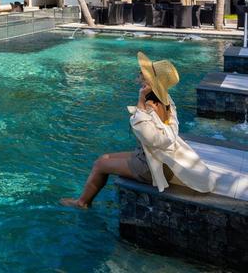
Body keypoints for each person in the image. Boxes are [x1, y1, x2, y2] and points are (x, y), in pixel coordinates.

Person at [61, 52, 216, 209]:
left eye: (145, 75)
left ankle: (82, 203)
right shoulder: (166, 100)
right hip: (153, 158)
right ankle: (86, 199)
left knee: (99, 165)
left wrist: (141, 99)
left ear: (151, 81)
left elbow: (149, 137)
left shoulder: (151, 105)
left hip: (153, 168)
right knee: (103, 157)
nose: (140, 76)